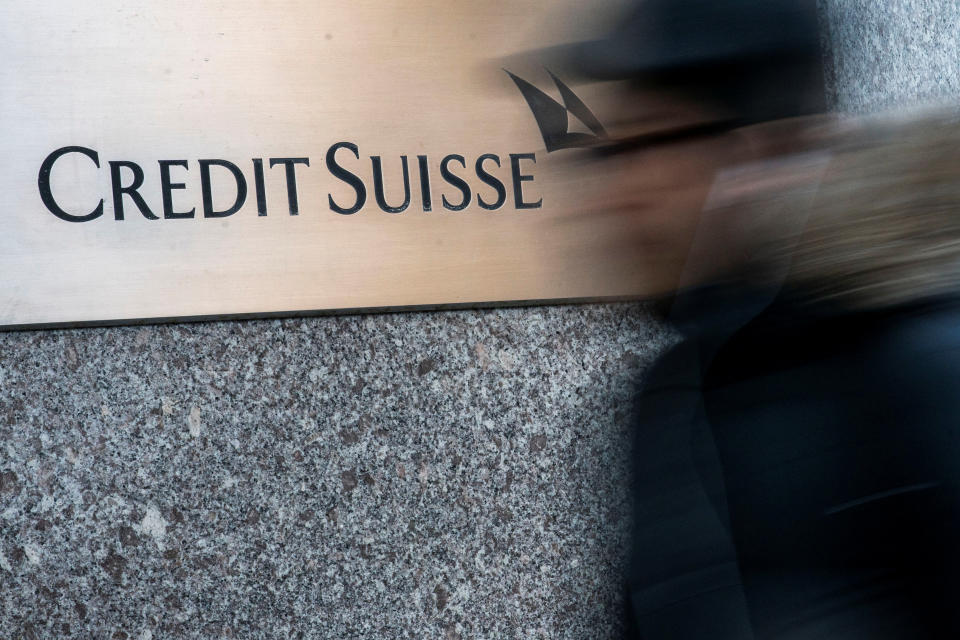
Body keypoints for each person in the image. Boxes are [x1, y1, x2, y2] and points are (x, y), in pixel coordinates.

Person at [544, 1, 960, 637]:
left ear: (768, 151)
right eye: (607, 155)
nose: (618, 192)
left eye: (654, 142)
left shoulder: (920, 362)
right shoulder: (672, 396)